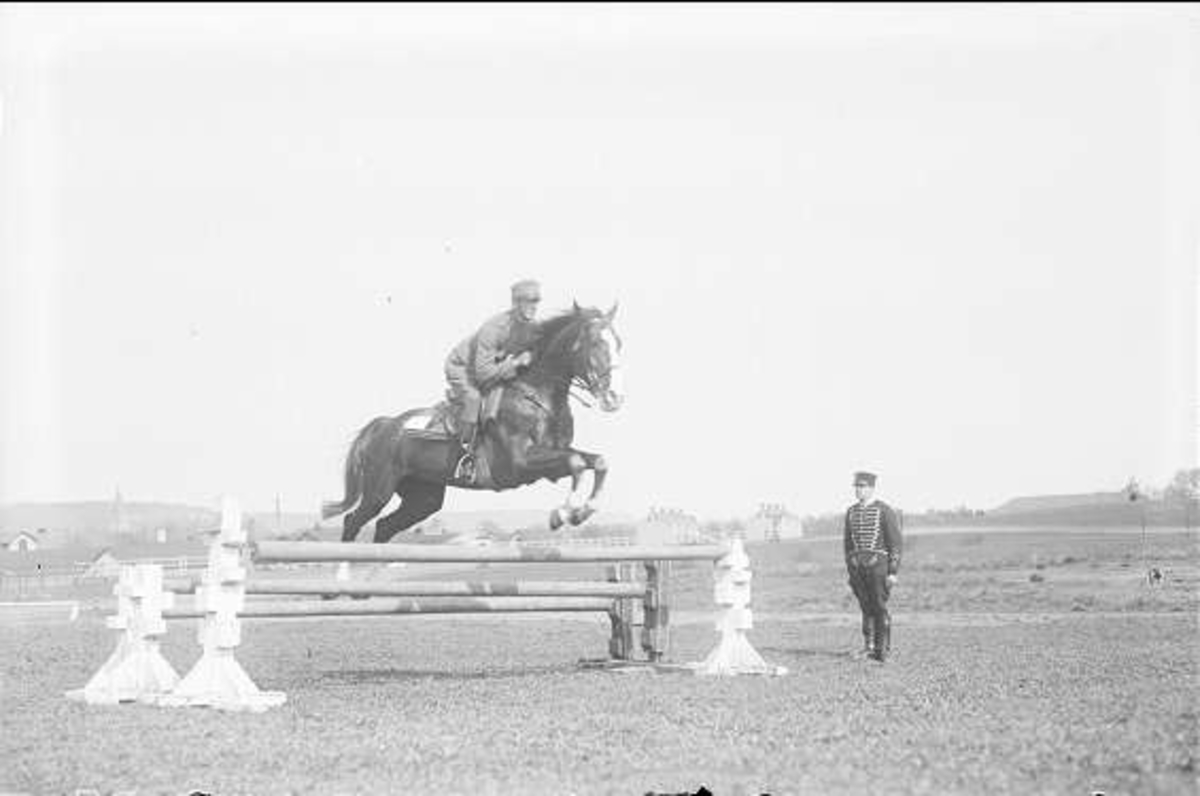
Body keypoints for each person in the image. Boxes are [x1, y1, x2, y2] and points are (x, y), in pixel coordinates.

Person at [443, 279, 542, 481]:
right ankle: (465, 458)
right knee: (474, 399)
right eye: (528, 301)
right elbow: (483, 373)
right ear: (516, 303)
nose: (533, 306)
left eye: (536, 301)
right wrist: (516, 363)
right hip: (464, 368)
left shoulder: (532, 327)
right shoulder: (494, 327)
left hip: (495, 368)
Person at [843, 471, 902, 662]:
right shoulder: (851, 512)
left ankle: (882, 650)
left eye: (862, 486)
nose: (858, 490)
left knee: (879, 606)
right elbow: (848, 545)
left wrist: (893, 571)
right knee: (865, 607)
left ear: (871, 488)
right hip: (858, 568)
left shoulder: (884, 510)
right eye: (857, 487)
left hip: (878, 566)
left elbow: (895, 543)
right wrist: (851, 570)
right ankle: (868, 647)